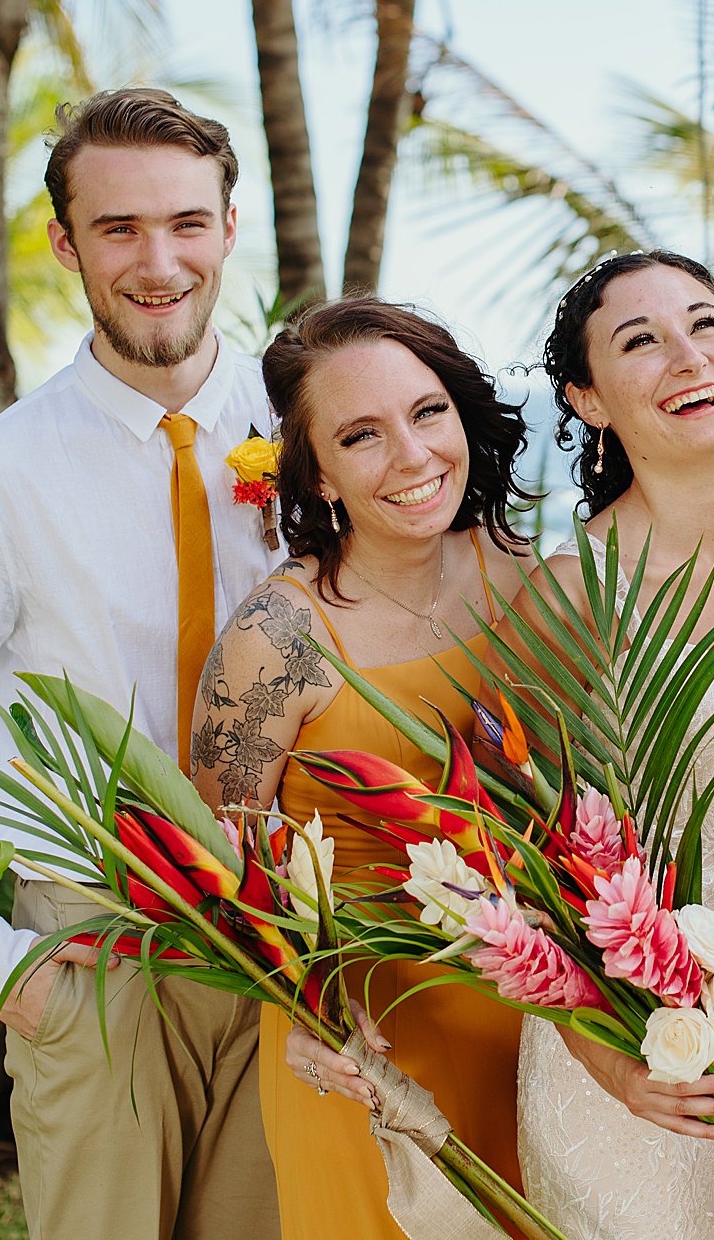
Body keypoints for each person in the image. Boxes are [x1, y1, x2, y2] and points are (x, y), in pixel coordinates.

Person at [0, 88, 280, 1238]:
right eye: (118, 228)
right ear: (64, 242)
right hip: (97, 934)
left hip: (299, 924)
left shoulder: (317, 423)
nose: (158, 259)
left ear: (231, 227)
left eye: (186, 222)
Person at [507, 249, 714, 1238]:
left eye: (704, 324)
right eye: (638, 341)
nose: (686, 356)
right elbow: (533, 867)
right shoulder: (571, 591)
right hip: (634, 1053)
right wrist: (616, 1060)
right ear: (588, 399)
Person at [201, 297, 534, 1240]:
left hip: (536, 1017)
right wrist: (302, 1005)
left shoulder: (515, 571)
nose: (415, 455)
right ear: (321, 475)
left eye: (428, 413)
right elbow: (220, 863)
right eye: (362, 435)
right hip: (360, 1038)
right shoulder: (280, 635)